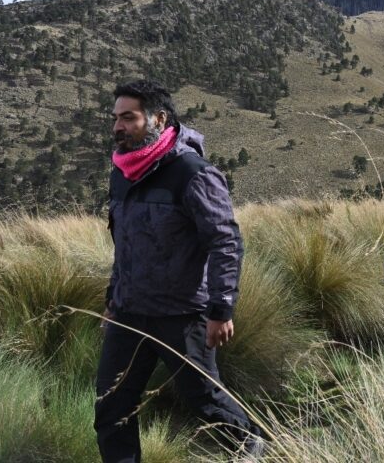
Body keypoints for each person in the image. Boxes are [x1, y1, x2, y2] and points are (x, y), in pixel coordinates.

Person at [95, 80, 262, 462]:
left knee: (205, 399)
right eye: (115, 118)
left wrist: (221, 309)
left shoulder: (192, 173)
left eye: (128, 118)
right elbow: (125, 247)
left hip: (182, 315)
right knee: (111, 406)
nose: (117, 127)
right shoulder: (122, 173)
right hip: (129, 313)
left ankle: (249, 446)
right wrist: (112, 300)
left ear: (157, 118)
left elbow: (224, 242)